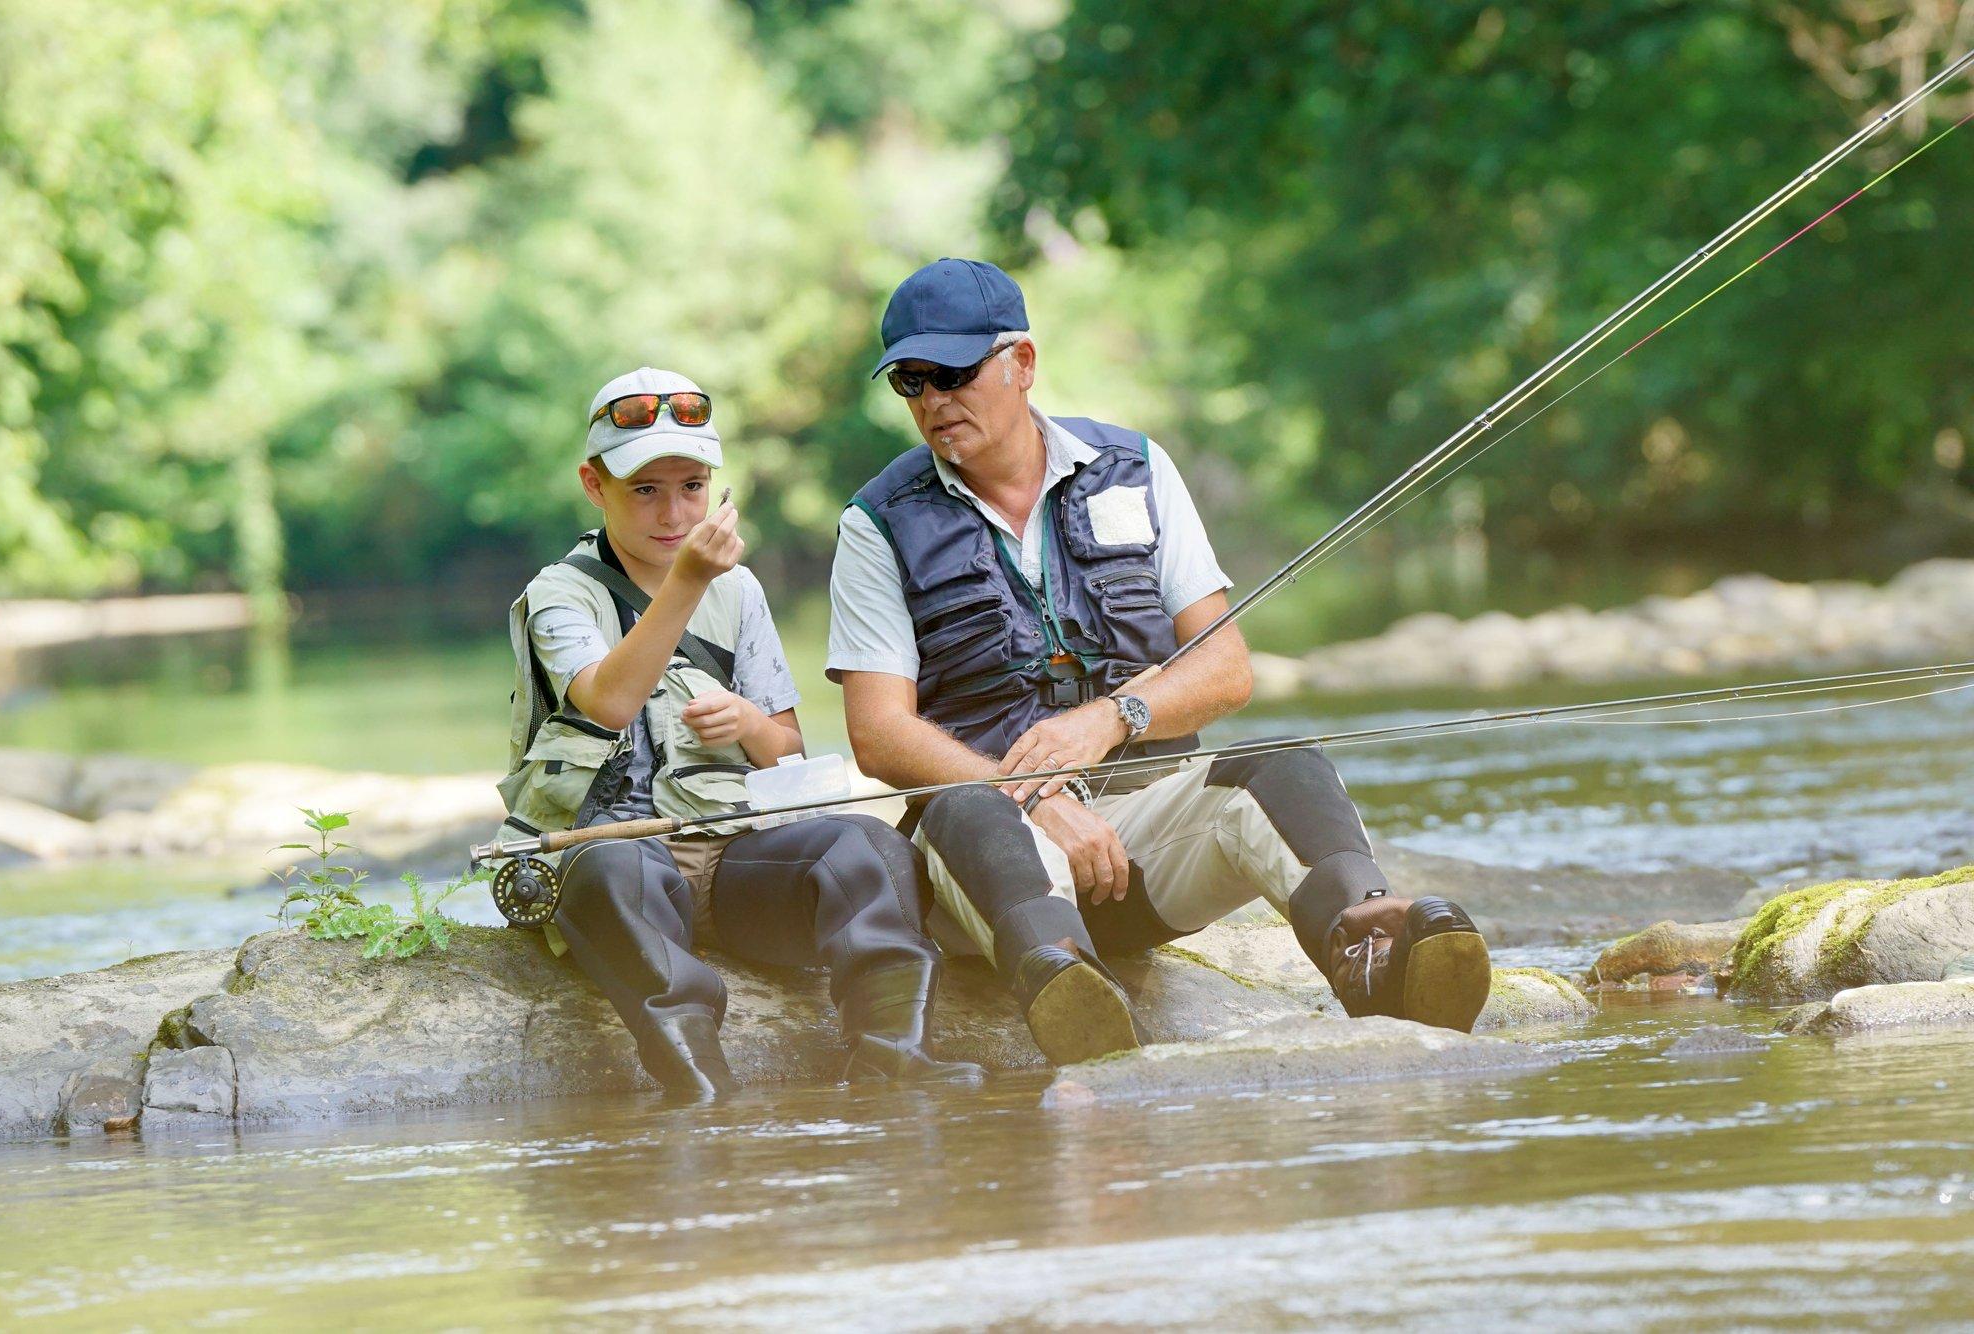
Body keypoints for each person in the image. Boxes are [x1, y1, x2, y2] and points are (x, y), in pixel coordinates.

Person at [827, 259, 1491, 1066]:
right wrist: (1028, 795)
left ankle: (1376, 954)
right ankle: (1070, 990)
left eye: (954, 373)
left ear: (1022, 363)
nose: (934, 400)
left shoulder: (1138, 468)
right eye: (911, 381)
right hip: (989, 864)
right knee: (966, 812)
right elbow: (878, 733)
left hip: (1143, 845)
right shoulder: (876, 523)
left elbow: (1227, 670)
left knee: (1280, 764)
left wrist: (1116, 716)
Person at [495, 365, 982, 1098]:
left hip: (733, 865)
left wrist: (751, 723)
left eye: (691, 487)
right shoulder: (558, 594)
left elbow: (787, 751)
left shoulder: (740, 588)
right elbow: (605, 702)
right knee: (616, 871)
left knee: (869, 845)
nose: (673, 513)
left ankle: (892, 1055)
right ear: (594, 486)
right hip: (616, 865)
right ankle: (702, 1087)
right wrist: (689, 579)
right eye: (645, 491)